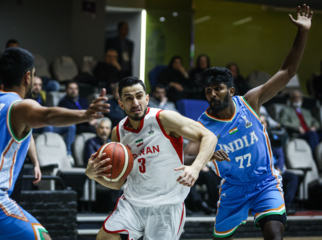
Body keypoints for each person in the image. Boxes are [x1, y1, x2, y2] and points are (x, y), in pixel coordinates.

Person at [0, 47, 110, 240]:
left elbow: (26, 131)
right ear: (27, 76)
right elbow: (48, 115)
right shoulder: (19, 106)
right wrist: (84, 114)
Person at [191, 5, 312, 239]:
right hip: (233, 188)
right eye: (208, 91)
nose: (213, 94)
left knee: (275, 235)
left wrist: (303, 32)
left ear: (231, 90)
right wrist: (203, 155)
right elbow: (185, 154)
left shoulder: (250, 102)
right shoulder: (203, 125)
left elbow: (287, 71)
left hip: (265, 181)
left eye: (218, 88)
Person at [86, 76, 219, 240]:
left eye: (139, 96)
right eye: (128, 98)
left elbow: (209, 136)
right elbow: (118, 182)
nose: (135, 103)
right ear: (121, 104)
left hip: (166, 207)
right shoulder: (118, 132)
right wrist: (93, 176)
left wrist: (196, 168)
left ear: (147, 98)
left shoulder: (164, 119)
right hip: (132, 204)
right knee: (105, 238)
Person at [28, 76, 76, 160]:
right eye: (35, 84)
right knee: (48, 126)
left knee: (71, 126)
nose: (37, 87)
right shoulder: (27, 97)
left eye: (39, 85)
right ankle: (45, 155)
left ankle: (68, 154)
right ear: (30, 85)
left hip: (44, 123)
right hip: (33, 125)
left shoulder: (42, 95)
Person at [259, 114, 299, 214]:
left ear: (267, 124)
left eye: (263, 123)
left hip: (275, 170)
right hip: (260, 172)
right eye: (259, 123)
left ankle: (287, 205)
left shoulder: (274, 137)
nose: (261, 125)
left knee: (293, 177)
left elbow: (280, 155)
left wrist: (279, 168)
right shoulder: (252, 139)